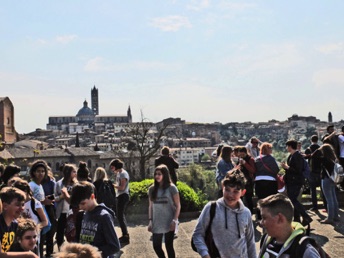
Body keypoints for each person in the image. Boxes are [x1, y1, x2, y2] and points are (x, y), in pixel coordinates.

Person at [192, 170, 256, 258]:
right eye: (227, 190)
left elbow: (250, 242)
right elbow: (198, 234)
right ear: (222, 187)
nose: (230, 195)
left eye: (235, 191)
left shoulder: (246, 213)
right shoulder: (211, 208)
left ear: (243, 192)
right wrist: (205, 254)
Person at [258, 193, 320, 258]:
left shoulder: (305, 251)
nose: (261, 222)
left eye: (264, 218)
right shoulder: (266, 240)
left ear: (280, 218)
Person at [70, 181, 120, 258]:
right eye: (78, 204)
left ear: (92, 197)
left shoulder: (104, 216)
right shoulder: (83, 214)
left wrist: (92, 254)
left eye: (83, 203)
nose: (80, 207)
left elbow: (115, 246)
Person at [148, 165, 181, 258]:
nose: (157, 176)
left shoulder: (172, 188)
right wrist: (150, 221)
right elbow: (150, 206)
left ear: (165, 175)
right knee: (156, 246)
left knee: (169, 246)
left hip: (169, 221)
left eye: (159, 174)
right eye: (155, 174)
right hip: (157, 221)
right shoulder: (152, 189)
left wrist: (174, 220)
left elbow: (178, 206)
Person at [10, 177, 48, 257]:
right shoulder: (15, 204)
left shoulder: (35, 203)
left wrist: (36, 229)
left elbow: (45, 221)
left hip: (32, 236)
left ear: (27, 191)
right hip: (20, 236)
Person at [0, 186, 38, 258]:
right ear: (5, 206)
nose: (22, 208)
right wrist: (29, 255)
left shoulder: (14, 224)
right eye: (17, 205)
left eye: (23, 205)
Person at [281, 140, 313, 226]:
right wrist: (286, 168)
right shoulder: (293, 156)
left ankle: (306, 216)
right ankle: (298, 219)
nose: (286, 148)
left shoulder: (297, 156)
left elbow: (298, 171)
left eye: (287, 146)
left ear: (290, 146)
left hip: (295, 181)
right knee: (293, 199)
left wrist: (287, 168)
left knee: (293, 199)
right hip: (292, 181)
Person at [28, 160, 54, 257]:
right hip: (35, 215)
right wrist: (43, 202)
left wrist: (46, 200)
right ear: (33, 172)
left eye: (43, 171)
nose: (41, 173)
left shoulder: (40, 185)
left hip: (42, 214)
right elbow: (30, 200)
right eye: (38, 171)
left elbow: (39, 200)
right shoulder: (31, 185)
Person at [254, 142, 280, 220]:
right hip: (270, 181)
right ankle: (271, 216)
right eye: (270, 148)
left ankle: (260, 216)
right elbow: (276, 170)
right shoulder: (271, 158)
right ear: (267, 149)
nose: (271, 149)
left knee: (261, 199)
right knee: (271, 199)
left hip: (258, 181)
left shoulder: (257, 159)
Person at [54, 164, 77, 249]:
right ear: (68, 172)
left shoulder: (76, 184)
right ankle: (60, 250)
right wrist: (61, 197)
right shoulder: (59, 184)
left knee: (72, 233)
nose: (75, 173)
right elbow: (55, 198)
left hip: (72, 212)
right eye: (73, 171)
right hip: (61, 212)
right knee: (60, 233)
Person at [109, 159, 130, 245]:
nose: (112, 169)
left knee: (120, 216)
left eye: (112, 167)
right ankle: (124, 234)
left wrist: (112, 185)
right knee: (120, 216)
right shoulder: (119, 173)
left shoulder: (123, 174)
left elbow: (122, 187)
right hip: (120, 196)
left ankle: (125, 235)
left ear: (116, 166)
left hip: (123, 196)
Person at [319, 144, 340, 224]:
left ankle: (330, 218)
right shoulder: (334, 158)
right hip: (333, 179)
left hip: (326, 179)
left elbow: (315, 156)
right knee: (334, 198)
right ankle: (336, 216)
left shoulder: (324, 159)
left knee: (329, 200)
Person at [304, 135, 323, 211]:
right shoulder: (321, 149)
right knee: (323, 189)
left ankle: (315, 207)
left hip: (311, 172)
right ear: (317, 140)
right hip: (320, 172)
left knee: (313, 190)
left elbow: (305, 158)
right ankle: (326, 205)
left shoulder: (308, 149)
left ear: (311, 140)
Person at [41, 170, 57, 258]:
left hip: (49, 207)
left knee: (50, 231)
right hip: (40, 208)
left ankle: (49, 252)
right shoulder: (37, 183)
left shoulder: (51, 182)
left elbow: (54, 195)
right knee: (42, 231)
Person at [238, 146, 256, 214]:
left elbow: (253, 170)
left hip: (249, 182)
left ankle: (250, 213)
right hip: (241, 181)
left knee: (249, 198)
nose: (242, 156)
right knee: (240, 198)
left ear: (246, 153)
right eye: (240, 155)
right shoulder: (239, 160)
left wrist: (245, 163)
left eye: (243, 154)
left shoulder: (250, 159)